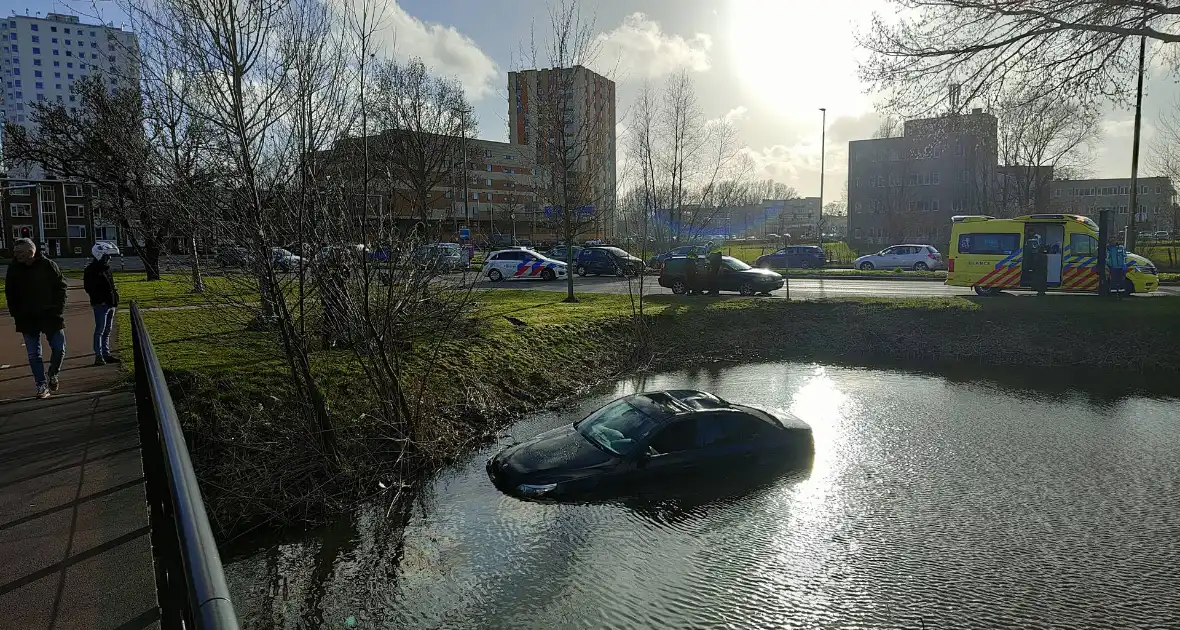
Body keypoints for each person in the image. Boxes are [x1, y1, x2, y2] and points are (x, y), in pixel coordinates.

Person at [5, 238, 68, 398]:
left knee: (59, 348)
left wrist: (58, 309)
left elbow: (61, 286)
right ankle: (41, 385)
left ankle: (53, 374)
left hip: (50, 315)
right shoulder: (13, 269)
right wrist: (16, 313)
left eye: (20, 252)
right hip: (27, 318)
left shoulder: (48, 265)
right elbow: (10, 293)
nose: (16, 255)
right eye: (15, 252)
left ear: (30, 251)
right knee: (34, 354)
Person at [84, 242, 121, 365]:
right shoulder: (90, 270)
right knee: (100, 330)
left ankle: (106, 353)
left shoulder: (107, 268)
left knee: (108, 329)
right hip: (101, 304)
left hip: (110, 303)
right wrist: (101, 299)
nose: (109, 258)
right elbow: (89, 288)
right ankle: (98, 356)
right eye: (107, 256)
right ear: (100, 255)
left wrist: (115, 298)